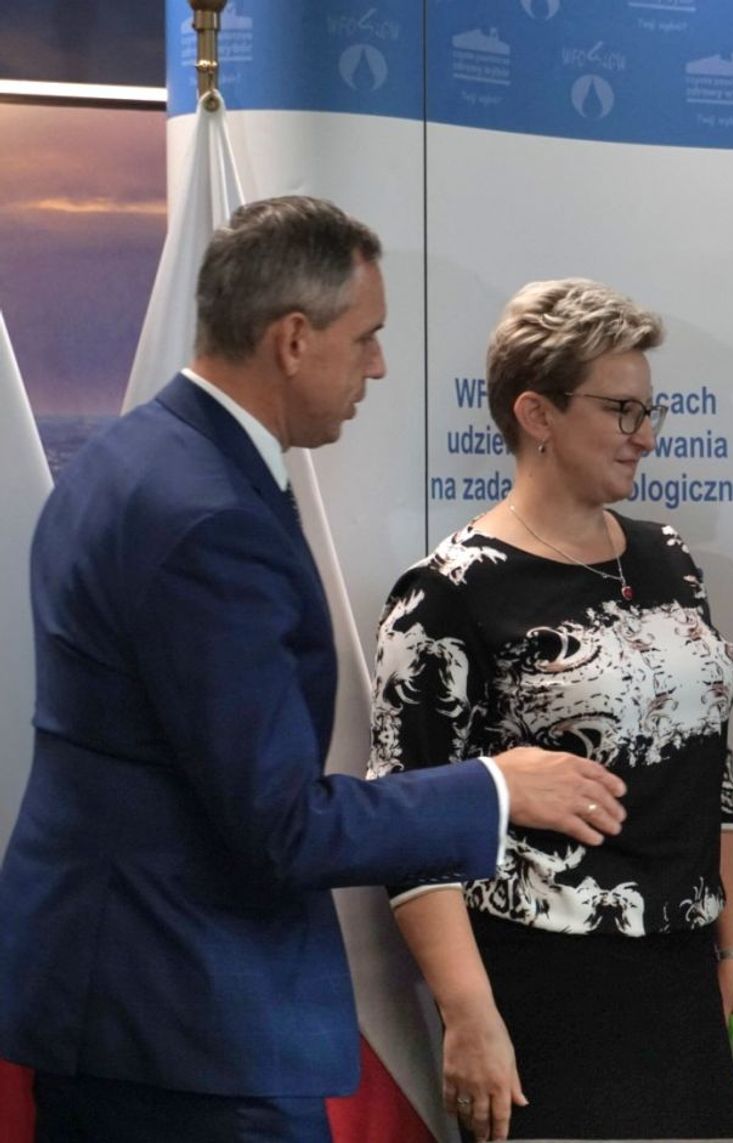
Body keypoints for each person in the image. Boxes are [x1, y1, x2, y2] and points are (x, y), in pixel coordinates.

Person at [0, 196, 626, 1143]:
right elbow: (281, 826)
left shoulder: (126, 458)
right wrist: (497, 787)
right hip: (191, 1028)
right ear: (293, 339)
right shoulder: (211, 519)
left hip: (111, 998)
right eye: (365, 337)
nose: (378, 366)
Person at [369, 278, 733, 1142]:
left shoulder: (668, 556)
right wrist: (470, 1015)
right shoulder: (447, 592)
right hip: (545, 987)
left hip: (682, 976)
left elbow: (715, 771)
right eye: (621, 410)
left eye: (648, 410)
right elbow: (409, 826)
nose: (645, 435)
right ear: (536, 414)